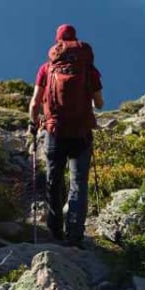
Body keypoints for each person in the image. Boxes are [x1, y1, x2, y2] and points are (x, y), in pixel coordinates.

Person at [28, 23, 104, 246]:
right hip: (81, 133)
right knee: (79, 183)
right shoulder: (89, 69)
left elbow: (34, 103)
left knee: (54, 181)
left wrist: (34, 123)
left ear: (58, 42)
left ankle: (54, 230)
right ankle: (75, 235)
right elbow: (99, 103)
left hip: (54, 132)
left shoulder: (47, 68)